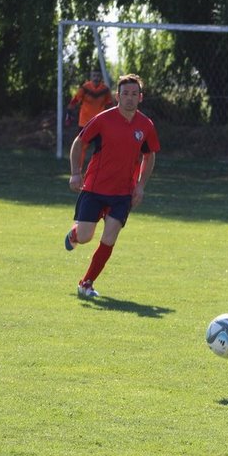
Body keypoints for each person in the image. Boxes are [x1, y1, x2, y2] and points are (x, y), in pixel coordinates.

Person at [63, 73, 159, 299]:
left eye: (134, 94)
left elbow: (149, 155)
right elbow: (80, 142)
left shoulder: (145, 125)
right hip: (94, 189)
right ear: (118, 96)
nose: (129, 98)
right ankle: (75, 234)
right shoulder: (103, 119)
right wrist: (75, 173)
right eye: (125, 93)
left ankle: (86, 283)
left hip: (123, 193)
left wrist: (140, 185)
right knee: (86, 237)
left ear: (140, 97)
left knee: (109, 238)